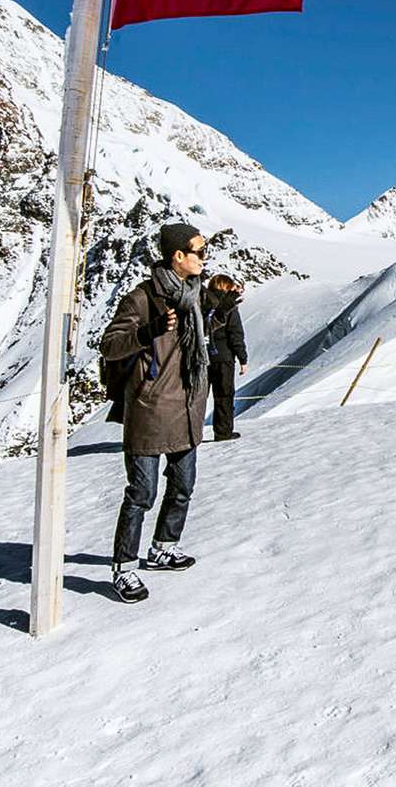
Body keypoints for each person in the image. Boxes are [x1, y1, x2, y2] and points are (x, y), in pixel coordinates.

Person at [99, 222, 212, 604]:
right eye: (199, 251)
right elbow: (111, 345)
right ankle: (124, 567)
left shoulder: (197, 296)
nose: (204, 257)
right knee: (142, 493)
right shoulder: (143, 297)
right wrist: (146, 333)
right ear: (178, 256)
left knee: (182, 487)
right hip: (149, 409)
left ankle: (164, 547)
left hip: (187, 405)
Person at [204, 274, 249, 441]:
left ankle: (190, 433)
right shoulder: (229, 306)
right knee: (224, 395)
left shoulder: (202, 303)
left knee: (199, 397)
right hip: (223, 357)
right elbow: (235, 334)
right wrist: (243, 359)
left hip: (202, 356)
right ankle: (223, 432)